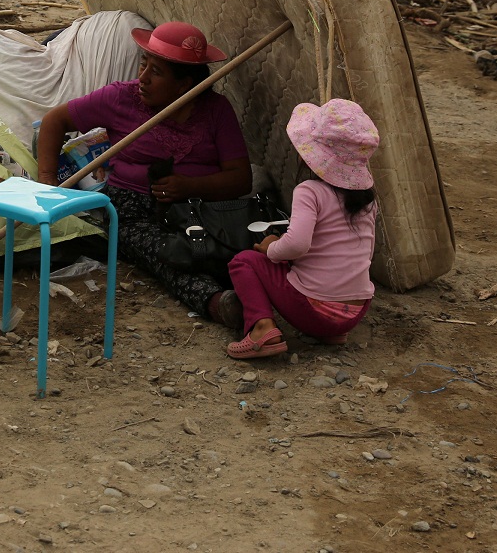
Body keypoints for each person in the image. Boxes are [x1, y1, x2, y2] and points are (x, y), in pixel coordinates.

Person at [35, 21, 251, 320]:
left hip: (199, 209)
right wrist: (47, 183)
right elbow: (54, 121)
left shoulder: (216, 110)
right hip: (131, 209)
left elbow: (240, 178)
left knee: (223, 250)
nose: (143, 79)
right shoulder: (121, 98)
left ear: (185, 84)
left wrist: (190, 187)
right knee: (164, 253)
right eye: (143, 65)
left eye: (156, 72)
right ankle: (216, 302)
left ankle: (260, 296)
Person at [218, 99, 379, 359]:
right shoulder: (367, 199)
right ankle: (331, 332)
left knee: (244, 261)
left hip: (315, 309)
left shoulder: (310, 191)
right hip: (355, 311)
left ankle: (262, 328)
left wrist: (272, 248)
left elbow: (297, 245)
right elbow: (362, 252)